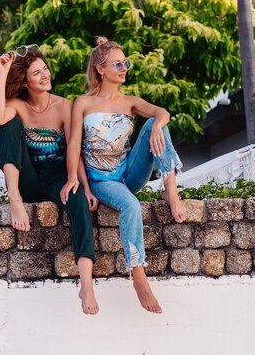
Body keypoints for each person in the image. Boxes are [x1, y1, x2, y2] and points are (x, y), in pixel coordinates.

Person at [61, 37, 188, 314]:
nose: (124, 68)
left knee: (158, 124)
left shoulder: (130, 102)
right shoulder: (82, 103)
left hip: (130, 174)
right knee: (130, 204)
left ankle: (171, 192)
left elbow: (162, 112)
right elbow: (74, 146)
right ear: (100, 69)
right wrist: (76, 180)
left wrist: (155, 127)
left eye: (125, 62)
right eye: (118, 63)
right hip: (102, 181)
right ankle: (138, 274)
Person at [0, 45, 99, 315]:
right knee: (9, 125)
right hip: (26, 178)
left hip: (57, 176)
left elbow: (76, 147)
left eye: (45, 70)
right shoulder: (17, 105)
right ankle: (14, 197)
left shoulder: (64, 106)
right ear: (25, 81)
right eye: (36, 73)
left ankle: (86, 284)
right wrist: (1, 73)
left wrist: (81, 185)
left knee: (78, 205)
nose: (44, 76)